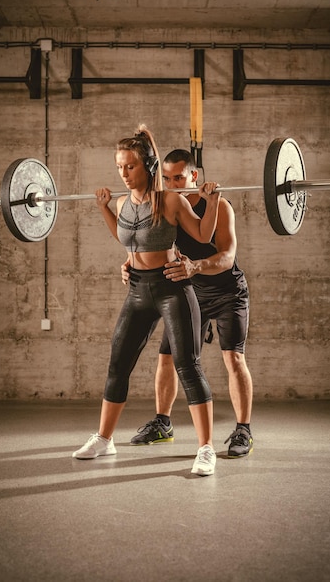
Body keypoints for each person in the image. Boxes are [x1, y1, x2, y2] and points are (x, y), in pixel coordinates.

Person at [73, 126, 221, 476]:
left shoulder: (171, 200)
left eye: (130, 167)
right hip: (137, 290)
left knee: (188, 366)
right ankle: (105, 439)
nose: (124, 174)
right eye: (120, 167)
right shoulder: (123, 202)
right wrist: (104, 208)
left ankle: (206, 449)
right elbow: (125, 237)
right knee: (117, 365)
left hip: (171, 288)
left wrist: (212, 202)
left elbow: (203, 234)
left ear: (148, 167)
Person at [124, 149, 254, 458]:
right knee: (167, 357)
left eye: (179, 178)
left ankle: (243, 430)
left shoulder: (219, 207)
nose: (171, 184)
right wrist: (130, 264)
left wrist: (195, 266)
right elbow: (147, 244)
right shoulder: (168, 208)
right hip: (189, 292)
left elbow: (227, 257)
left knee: (233, 358)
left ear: (194, 176)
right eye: (166, 178)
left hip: (227, 293)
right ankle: (162, 423)